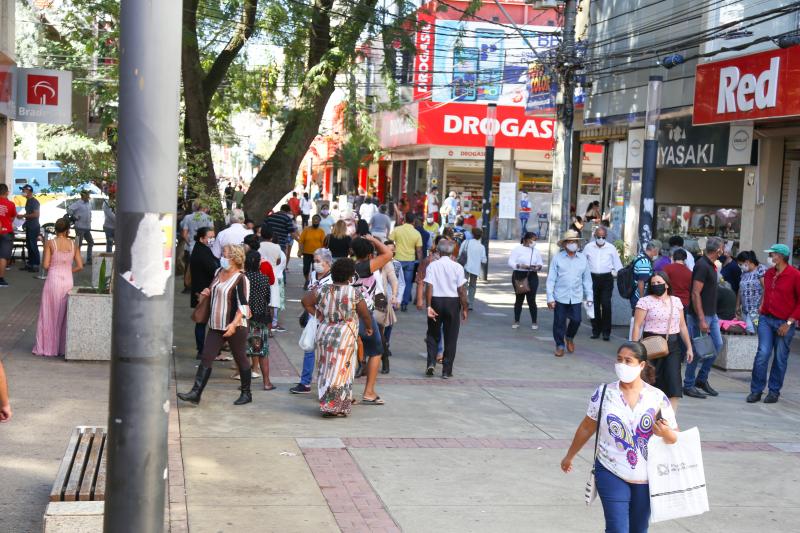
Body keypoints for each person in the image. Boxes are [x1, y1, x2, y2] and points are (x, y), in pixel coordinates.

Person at [561, 342, 678, 533]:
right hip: (610, 469)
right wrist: (569, 456)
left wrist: (665, 433)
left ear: (641, 365)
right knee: (617, 529)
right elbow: (586, 427)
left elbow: (675, 437)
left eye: (628, 361)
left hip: (646, 476)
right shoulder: (604, 393)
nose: (621, 365)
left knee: (638, 529)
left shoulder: (657, 397)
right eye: (619, 360)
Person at [178, 244, 253, 406]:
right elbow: (214, 289)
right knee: (206, 356)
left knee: (241, 358)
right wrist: (207, 292)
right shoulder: (218, 272)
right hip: (215, 324)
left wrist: (233, 325)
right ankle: (196, 393)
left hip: (235, 326)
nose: (221, 257)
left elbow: (243, 306)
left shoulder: (241, 278)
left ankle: (246, 393)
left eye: (224, 255)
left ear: (233, 258)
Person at [301, 258, 373, 417]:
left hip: (325, 334)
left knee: (326, 370)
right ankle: (334, 407)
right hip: (344, 337)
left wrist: (318, 315)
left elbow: (305, 301)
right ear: (349, 276)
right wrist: (368, 328)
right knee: (341, 371)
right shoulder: (354, 292)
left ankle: (328, 403)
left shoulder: (322, 290)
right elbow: (365, 314)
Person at [631, 272, 694, 412]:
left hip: (672, 345)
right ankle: (648, 416)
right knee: (651, 382)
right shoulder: (645, 301)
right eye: (653, 284)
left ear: (666, 284)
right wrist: (634, 349)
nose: (656, 286)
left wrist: (689, 347)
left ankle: (670, 420)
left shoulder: (676, 301)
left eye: (659, 283)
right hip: (651, 345)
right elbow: (637, 325)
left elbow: (682, 326)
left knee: (674, 383)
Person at [747, 243, 800, 404]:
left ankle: (774, 391)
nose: (770, 257)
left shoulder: (795, 275)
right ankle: (756, 390)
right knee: (762, 354)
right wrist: (761, 308)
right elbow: (767, 292)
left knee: (780, 357)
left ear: (781, 256)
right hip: (766, 319)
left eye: (773, 254)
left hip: (785, 322)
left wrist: (789, 322)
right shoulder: (769, 273)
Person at [32, 218, 84, 356]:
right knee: (63, 315)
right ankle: (61, 348)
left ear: (55, 229)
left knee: (49, 313)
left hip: (53, 280)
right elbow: (80, 266)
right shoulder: (73, 245)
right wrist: (68, 270)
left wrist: (56, 269)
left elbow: (45, 265)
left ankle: (47, 347)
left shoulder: (50, 243)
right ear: (68, 230)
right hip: (67, 280)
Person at [351, 236, 393, 403]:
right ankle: (369, 391)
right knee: (376, 351)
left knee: (348, 353)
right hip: (364, 316)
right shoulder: (367, 266)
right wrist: (374, 240)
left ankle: (344, 391)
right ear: (369, 254)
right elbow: (388, 253)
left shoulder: (347, 266)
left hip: (347, 313)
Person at [683, 236, 725, 399]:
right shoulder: (702, 265)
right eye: (723, 247)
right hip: (700, 315)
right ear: (718, 250)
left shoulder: (711, 265)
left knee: (717, 345)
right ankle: (688, 384)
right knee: (698, 350)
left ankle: (701, 379)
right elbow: (695, 293)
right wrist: (701, 319)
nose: (724, 250)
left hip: (711, 314)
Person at [290, 248, 333, 394]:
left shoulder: (333, 277)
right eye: (314, 261)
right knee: (309, 349)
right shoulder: (313, 274)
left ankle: (327, 383)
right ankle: (305, 382)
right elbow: (309, 293)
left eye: (317, 261)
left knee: (326, 352)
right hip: (313, 316)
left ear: (327, 263)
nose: (315, 264)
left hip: (327, 318)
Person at [424, 239, 468, 378]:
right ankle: (446, 370)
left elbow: (429, 286)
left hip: (436, 300)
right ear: (453, 251)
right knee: (451, 336)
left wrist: (429, 305)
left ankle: (431, 362)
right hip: (452, 302)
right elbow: (461, 290)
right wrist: (465, 308)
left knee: (432, 334)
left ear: (438, 250)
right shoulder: (458, 267)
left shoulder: (432, 266)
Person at [546, 230, 593, 357]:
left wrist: (589, 296)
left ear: (578, 244)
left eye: (575, 242)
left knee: (577, 320)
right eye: (570, 242)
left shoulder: (582, 258)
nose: (572, 244)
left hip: (576, 296)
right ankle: (559, 345)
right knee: (559, 322)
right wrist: (550, 297)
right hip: (560, 296)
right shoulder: (557, 258)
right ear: (565, 244)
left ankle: (570, 337)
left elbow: (587, 279)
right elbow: (551, 279)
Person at [584, 225, 623, 341]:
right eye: (598, 236)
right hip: (592, 278)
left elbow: (618, 265)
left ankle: (606, 332)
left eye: (603, 237)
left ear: (606, 236)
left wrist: (618, 274)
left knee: (606, 304)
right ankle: (596, 330)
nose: (601, 239)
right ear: (595, 236)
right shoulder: (588, 247)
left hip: (606, 278)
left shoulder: (611, 248)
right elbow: (582, 263)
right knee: (593, 304)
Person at [243, 250, 275, 390]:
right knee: (262, 352)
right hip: (260, 319)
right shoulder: (264, 279)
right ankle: (266, 382)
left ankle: (245, 384)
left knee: (243, 352)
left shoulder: (242, 278)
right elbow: (267, 298)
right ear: (258, 264)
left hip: (244, 318)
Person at [190, 227, 219, 357]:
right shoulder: (202, 252)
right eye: (210, 237)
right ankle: (202, 350)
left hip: (202, 290)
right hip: (203, 291)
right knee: (202, 321)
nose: (212, 240)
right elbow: (213, 269)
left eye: (214, 237)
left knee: (202, 322)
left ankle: (204, 349)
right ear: (202, 238)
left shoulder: (202, 249)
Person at [508, 231, 544, 330]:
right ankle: (516, 320)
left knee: (531, 299)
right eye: (533, 239)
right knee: (519, 297)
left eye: (535, 240)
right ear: (526, 239)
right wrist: (519, 265)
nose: (534, 242)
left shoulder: (536, 251)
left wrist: (538, 267)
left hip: (532, 274)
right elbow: (511, 261)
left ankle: (534, 321)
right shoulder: (517, 249)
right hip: (519, 274)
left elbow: (540, 263)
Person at [389, 213, 423, 311]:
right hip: (410, 261)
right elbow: (419, 250)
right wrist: (420, 264)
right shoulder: (416, 233)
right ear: (414, 221)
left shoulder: (397, 230)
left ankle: (394, 301)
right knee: (408, 283)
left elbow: (389, 242)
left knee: (395, 281)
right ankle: (404, 303)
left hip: (397, 260)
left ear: (404, 219)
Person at [376, 242, 400, 374]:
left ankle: (384, 360)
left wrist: (394, 295)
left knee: (379, 333)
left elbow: (394, 281)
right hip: (363, 300)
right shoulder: (368, 262)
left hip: (380, 300)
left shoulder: (386, 264)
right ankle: (362, 363)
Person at [735, 250, 766, 334]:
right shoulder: (744, 273)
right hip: (745, 309)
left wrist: (762, 305)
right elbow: (740, 289)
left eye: (740, 264)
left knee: (751, 329)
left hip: (755, 309)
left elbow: (766, 288)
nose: (740, 266)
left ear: (747, 262)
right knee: (746, 330)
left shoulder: (760, 269)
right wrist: (737, 305)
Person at [457, 227, 487, 310]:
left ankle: (462, 301)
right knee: (473, 285)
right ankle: (470, 304)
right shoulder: (481, 247)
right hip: (475, 269)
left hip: (465, 266)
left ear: (472, 235)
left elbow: (459, 254)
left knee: (464, 284)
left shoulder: (466, 242)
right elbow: (484, 260)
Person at [630, 241, 660, 310]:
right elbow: (641, 281)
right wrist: (642, 299)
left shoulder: (640, 256)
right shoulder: (644, 262)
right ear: (654, 250)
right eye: (657, 251)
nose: (657, 254)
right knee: (639, 318)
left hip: (636, 294)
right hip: (638, 296)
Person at [17, 184, 41, 272]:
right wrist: (25, 222)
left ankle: (35, 265)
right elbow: (30, 215)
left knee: (33, 245)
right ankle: (30, 263)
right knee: (29, 245)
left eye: (24, 190)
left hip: (34, 227)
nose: (22, 192)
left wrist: (23, 215)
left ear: (29, 191)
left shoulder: (34, 201)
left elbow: (36, 214)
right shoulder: (28, 201)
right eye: (22, 190)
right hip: (29, 226)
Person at [298, 214, 326, 288]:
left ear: (319, 221)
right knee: (306, 269)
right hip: (306, 253)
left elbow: (324, 244)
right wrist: (300, 251)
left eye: (317, 219)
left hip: (317, 255)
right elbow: (301, 241)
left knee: (315, 270)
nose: (315, 221)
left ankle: (313, 283)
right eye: (314, 219)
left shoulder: (321, 231)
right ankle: (307, 280)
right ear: (312, 220)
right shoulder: (306, 230)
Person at [67, 190, 94, 263]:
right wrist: (74, 217)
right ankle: (78, 261)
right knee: (79, 244)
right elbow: (69, 210)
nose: (88, 197)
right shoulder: (78, 203)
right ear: (83, 196)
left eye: (88, 196)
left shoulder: (88, 203)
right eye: (87, 196)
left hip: (87, 227)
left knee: (91, 242)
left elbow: (89, 213)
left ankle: (89, 259)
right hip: (79, 227)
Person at [0, 184, 15, 287]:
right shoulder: (10, 204)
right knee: (3, 257)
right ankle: (0, 279)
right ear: (6, 192)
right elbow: (13, 218)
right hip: (6, 232)